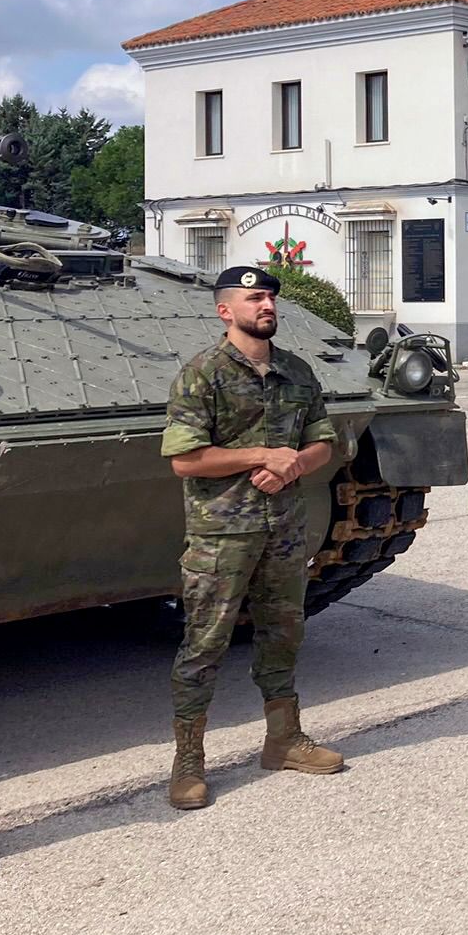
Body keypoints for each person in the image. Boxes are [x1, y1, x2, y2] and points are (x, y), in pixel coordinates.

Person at [160, 265, 342, 810]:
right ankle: (188, 762)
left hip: (284, 530)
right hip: (222, 534)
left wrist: (290, 467)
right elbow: (186, 459)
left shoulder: (295, 371)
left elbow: (323, 443)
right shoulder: (202, 375)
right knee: (204, 643)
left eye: (270, 298)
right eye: (254, 297)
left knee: (284, 630)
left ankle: (283, 739)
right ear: (225, 310)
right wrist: (263, 455)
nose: (267, 306)